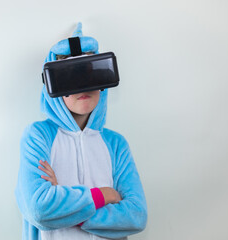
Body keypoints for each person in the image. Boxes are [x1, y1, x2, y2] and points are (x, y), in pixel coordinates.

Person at [15, 23, 147, 240]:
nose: (83, 87)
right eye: (70, 77)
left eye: (89, 75)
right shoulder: (38, 136)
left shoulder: (116, 144)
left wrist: (68, 209)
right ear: (53, 86)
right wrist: (104, 195)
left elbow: (136, 216)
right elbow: (38, 209)